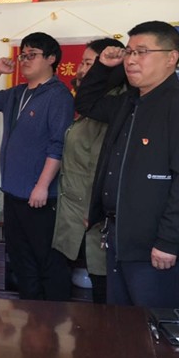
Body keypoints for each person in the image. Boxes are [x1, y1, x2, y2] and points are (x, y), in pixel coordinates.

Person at [76, 21, 179, 308]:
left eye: (142, 52)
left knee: (154, 327)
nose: (131, 60)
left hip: (155, 246)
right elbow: (86, 104)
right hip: (119, 237)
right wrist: (102, 67)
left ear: (171, 58)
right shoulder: (130, 102)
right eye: (129, 51)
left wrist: (168, 242)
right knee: (123, 325)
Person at [0, 32, 74, 301]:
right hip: (13, 191)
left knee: (47, 259)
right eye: (23, 55)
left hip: (40, 196)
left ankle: (54, 316)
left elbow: (58, 145)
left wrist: (42, 186)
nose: (25, 60)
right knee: (21, 258)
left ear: (51, 59)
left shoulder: (58, 95)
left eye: (33, 55)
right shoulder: (17, 93)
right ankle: (32, 314)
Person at [51, 38, 126, 304]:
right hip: (72, 209)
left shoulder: (112, 104)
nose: (81, 69)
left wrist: (92, 210)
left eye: (87, 63)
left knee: (102, 288)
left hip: (92, 214)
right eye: (81, 63)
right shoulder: (89, 101)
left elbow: (100, 164)